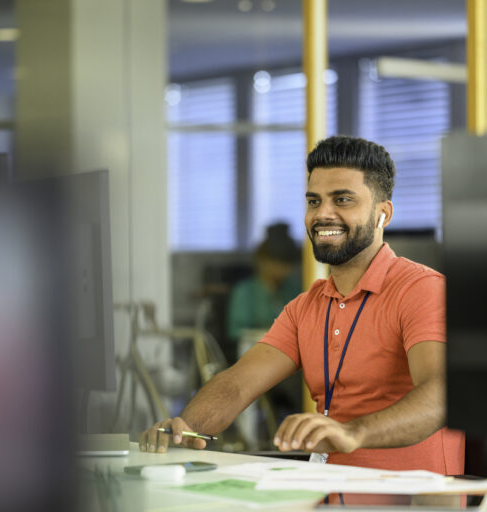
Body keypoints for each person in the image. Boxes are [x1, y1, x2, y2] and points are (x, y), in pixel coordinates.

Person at [140, 135, 464, 474]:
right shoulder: (306, 306)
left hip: (410, 500)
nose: (323, 214)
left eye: (342, 199)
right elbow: (237, 385)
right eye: (314, 201)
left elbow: (444, 393)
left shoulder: (422, 289)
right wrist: (182, 429)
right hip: (326, 493)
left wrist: (354, 432)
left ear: (383, 214)